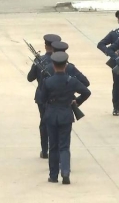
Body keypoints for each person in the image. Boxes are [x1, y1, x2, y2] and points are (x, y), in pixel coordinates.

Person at [41, 52, 91, 184]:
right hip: (66, 115)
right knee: (64, 146)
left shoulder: (48, 81)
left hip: (51, 115)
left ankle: (53, 175)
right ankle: (65, 172)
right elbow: (87, 91)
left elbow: (41, 99)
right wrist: (76, 102)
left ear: (53, 65)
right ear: (65, 65)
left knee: (53, 147)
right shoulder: (72, 81)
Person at [27, 34, 61, 159]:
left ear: (45, 46)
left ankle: (45, 149)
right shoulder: (62, 60)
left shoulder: (39, 60)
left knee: (44, 122)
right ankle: (55, 147)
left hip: (42, 97)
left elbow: (30, 78)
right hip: (57, 96)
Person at [97, 9, 119, 116]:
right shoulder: (114, 33)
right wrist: (111, 53)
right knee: (117, 86)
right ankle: (116, 107)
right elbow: (101, 44)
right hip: (118, 63)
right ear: (118, 20)